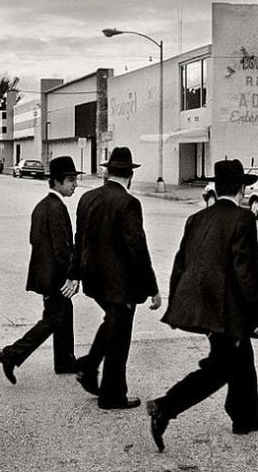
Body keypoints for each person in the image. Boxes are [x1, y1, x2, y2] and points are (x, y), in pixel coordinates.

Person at [147, 159, 258, 452]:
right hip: (227, 310)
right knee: (219, 368)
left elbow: (180, 264)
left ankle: (245, 418)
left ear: (216, 187)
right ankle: (165, 407)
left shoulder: (197, 218)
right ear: (242, 189)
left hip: (201, 305)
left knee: (242, 361)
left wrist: (178, 304)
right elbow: (247, 272)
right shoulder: (243, 219)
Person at [69, 147, 161, 410]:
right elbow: (136, 247)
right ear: (130, 175)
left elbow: (79, 240)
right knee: (120, 336)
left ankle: (91, 370)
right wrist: (152, 287)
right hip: (119, 283)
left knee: (113, 323)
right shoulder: (129, 203)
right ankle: (109, 393)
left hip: (93, 279)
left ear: (107, 172)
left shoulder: (87, 198)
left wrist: (75, 274)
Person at [0, 156, 82, 384]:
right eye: (71, 180)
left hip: (47, 275)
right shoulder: (55, 208)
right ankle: (11, 354)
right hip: (55, 277)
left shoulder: (43, 206)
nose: (75, 185)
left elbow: (35, 241)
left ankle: (65, 360)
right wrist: (70, 277)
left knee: (64, 314)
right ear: (56, 182)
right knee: (53, 319)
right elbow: (62, 249)